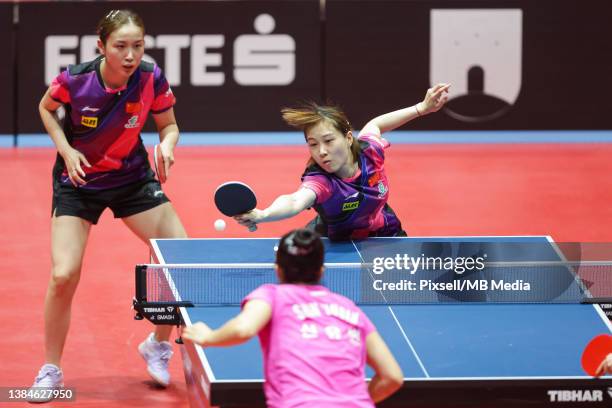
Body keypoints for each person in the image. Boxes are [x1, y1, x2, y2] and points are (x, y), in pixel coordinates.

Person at [29, 9, 187, 400]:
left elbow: (168, 124)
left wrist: (166, 145)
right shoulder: (76, 79)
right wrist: (65, 150)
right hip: (79, 180)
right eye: (121, 47)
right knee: (64, 274)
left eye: (138, 46)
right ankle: (50, 369)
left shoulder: (151, 77)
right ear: (102, 47)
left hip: (132, 179)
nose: (131, 55)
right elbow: (46, 108)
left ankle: (157, 343)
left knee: (180, 258)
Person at [182, 228, 404, 407]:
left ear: (278, 270)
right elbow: (392, 377)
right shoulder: (350, 309)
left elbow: (243, 329)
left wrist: (209, 336)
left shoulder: (273, 295)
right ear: (321, 271)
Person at [235, 84, 450, 240]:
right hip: (337, 245)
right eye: (312, 144)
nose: (321, 152)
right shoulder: (321, 181)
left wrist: (421, 108)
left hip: (386, 234)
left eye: (328, 141)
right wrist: (264, 215)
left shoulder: (370, 152)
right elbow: (294, 201)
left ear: (348, 138)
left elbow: (375, 125)